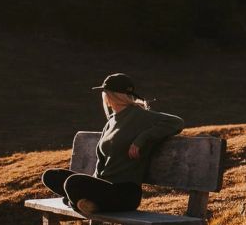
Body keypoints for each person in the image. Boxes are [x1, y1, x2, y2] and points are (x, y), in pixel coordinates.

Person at [40, 73, 184, 216]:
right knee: (51, 176)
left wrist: (141, 139)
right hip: (104, 187)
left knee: (73, 183)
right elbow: (101, 162)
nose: (103, 96)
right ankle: (85, 202)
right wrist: (93, 183)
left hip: (124, 193)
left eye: (104, 92)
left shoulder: (140, 115)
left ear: (112, 95)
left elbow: (177, 122)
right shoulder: (111, 121)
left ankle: (78, 201)